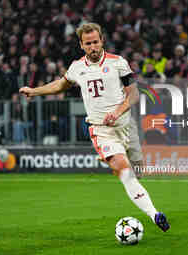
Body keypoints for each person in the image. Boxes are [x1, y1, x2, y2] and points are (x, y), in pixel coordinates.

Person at [19, 23, 170, 232]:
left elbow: (133, 94)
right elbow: (60, 85)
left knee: (137, 171)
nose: (93, 47)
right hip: (101, 130)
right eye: (88, 43)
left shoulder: (118, 63)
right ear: (81, 45)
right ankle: (155, 215)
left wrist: (117, 112)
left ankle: (140, 191)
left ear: (102, 41)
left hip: (126, 126)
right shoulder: (77, 67)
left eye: (96, 42)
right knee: (123, 170)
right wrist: (34, 91)